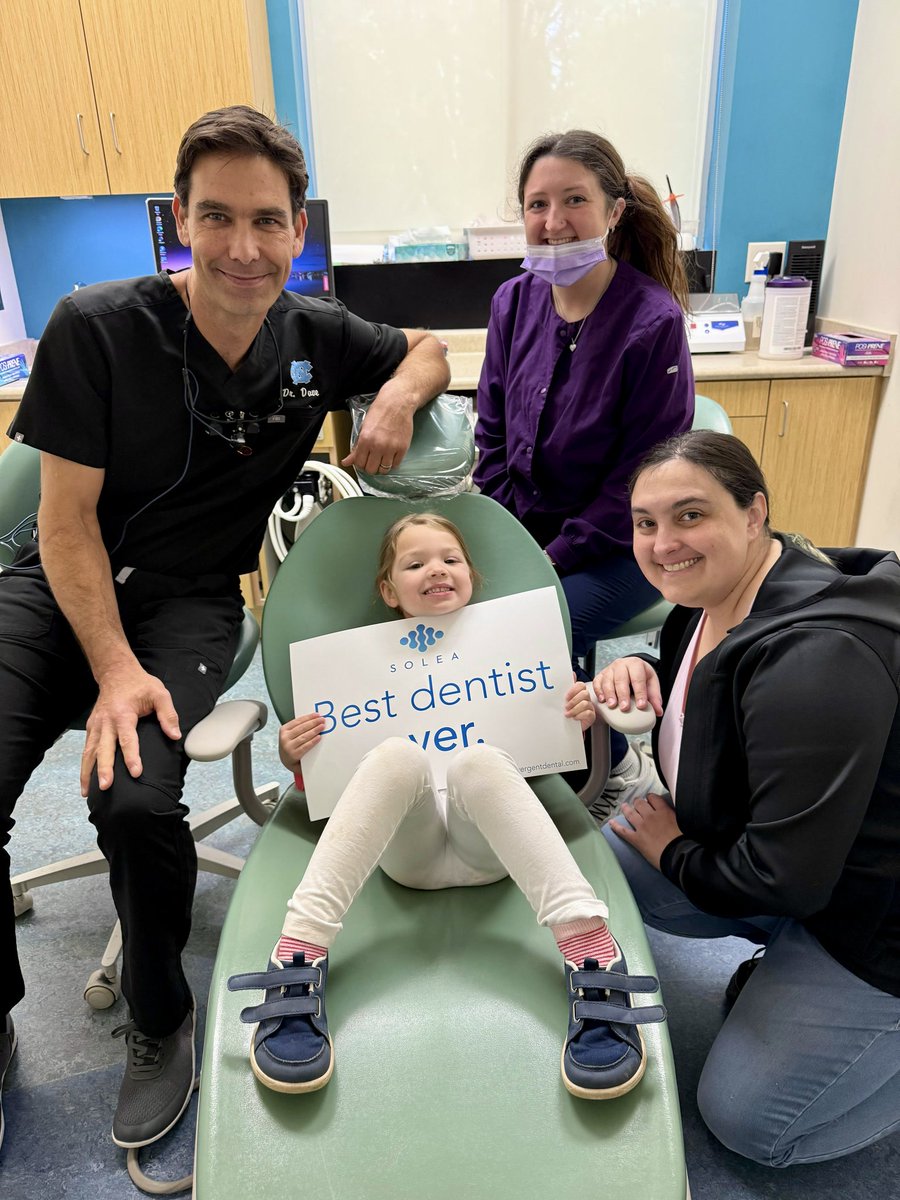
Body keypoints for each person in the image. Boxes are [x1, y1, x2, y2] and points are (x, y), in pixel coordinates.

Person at [0, 105, 451, 1153]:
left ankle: (161, 1019)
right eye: (216, 218)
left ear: (297, 229)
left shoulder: (315, 336)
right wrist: (113, 669)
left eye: (266, 221)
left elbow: (426, 348)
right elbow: (63, 525)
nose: (243, 248)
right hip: (57, 581)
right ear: (180, 221)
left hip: (190, 601)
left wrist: (392, 398)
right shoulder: (95, 328)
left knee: (135, 800)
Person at [228, 513, 665, 1100]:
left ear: (471, 576)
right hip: (405, 853)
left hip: (491, 849)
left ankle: (591, 954)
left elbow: (550, 755)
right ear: (389, 591)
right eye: (415, 563)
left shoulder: (522, 650)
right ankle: (297, 954)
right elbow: (331, 789)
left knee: (477, 761)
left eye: (450, 559)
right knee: (394, 756)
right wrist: (296, 755)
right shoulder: (350, 671)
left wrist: (578, 718)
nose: (436, 569)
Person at [593, 429, 900, 1166]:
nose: (663, 543)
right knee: (608, 864)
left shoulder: (816, 660)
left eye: (690, 515)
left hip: (874, 918)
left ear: (755, 512)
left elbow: (781, 878)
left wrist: (674, 851)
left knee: (752, 1125)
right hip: (808, 867)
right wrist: (643, 672)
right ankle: (794, 968)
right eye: (645, 522)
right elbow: (724, 703)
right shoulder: (705, 603)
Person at [473, 130, 695, 815]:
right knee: (458, 604)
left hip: (626, 545)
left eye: (574, 200)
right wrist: (505, 539)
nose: (553, 221)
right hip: (531, 537)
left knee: (538, 623)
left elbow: (642, 480)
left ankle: (600, 770)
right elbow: (491, 435)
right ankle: (526, 756)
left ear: (614, 210)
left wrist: (549, 558)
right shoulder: (513, 302)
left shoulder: (651, 322)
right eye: (537, 204)